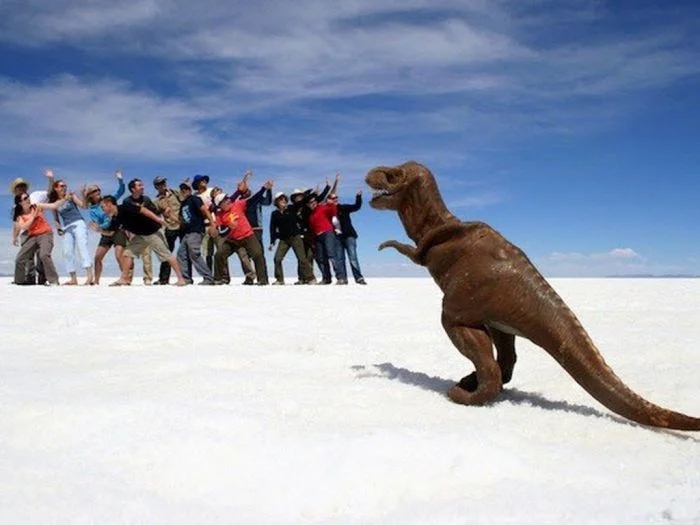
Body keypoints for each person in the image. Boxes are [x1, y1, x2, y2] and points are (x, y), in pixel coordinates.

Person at [98, 194, 187, 286]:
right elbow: (111, 233)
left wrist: (158, 219)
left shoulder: (125, 207)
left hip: (152, 232)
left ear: (109, 204)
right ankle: (124, 279)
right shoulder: (115, 218)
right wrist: (99, 230)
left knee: (166, 255)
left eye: (102, 206)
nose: (102, 209)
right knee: (127, 254)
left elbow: (143, 210)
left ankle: (181, 279)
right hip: (140, 236)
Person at [47, 171, 94, 285]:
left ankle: (89, 276)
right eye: (62, 186)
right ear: (56, 188)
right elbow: (56, 218)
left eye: (65, 186)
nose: (64, 187)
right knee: (67, 251)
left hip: (78, 223)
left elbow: (84, 206)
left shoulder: (71, 196)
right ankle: (73, 278)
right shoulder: (55, 202)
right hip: (67, 227)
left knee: (82, 247)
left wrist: (83, 194)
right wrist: (58, 228)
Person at [212, 192, 269, 285]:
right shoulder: (220, 216)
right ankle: (218, 279)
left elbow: (253, 199)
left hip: (247, 236)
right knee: (218, 255)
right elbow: (221, 233)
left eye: (227, 198)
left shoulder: (238, 204)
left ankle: (262, 280)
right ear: (220, 205)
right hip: (232, 240)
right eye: (225, 200)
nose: (228, 200)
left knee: (258, 254)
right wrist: (229, 227)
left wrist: (264, 189)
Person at [12, 191, 66, 286]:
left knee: (44, 255)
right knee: (20, 258)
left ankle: (53, 280)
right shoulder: (20, 216)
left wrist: (64, 199)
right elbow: (24, 226)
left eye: (27, 197)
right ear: (20, 203)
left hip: (45, 234)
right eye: (25, 198)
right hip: (32, 237)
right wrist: (33, 216)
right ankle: (19, 281)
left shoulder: (36, 206)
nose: (28, 199)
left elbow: (53, 205)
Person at [84, 169, 127, 285]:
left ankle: (125, 278)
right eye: (95, 190)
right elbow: (98, 224)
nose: (98, 191)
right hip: (106, 233)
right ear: (90, 195)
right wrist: (102, 227)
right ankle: (96, 281)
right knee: (97, 257)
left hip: (118, 230)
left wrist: (120, 179)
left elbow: (121, 190)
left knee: (119, 255)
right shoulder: (92, 210)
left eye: (98, 189)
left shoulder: (108, 200)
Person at [10, 174, 53, 284]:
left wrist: (51, 179)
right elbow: (16, 224)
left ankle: (43, 278)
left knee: (41, 254)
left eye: (23, 186)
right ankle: (29, 279)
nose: (21, 188)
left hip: (40, 231)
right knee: (27, 258)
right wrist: (14, 237)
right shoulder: (16, 207)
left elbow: (49, 192)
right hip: (26, 233)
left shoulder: (35, 195)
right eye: (19, 187)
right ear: (15, 190)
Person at [268, 191, 316, 285]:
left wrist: (310, 194)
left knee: (302, 259)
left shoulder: (291, 208)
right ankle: (280, 279)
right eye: (281, 200)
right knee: (277, 258)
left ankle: (310, 278)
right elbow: (272, 227)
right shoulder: (274, 214)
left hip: (295, 237)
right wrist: (272, 241)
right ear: (277, 202)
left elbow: (302, 202)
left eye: (285, 199)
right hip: (284, 240)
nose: (283, 201)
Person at [176, 182, 217, 285]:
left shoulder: (194, 199)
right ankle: (186, 279)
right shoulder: (183, 204)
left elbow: (205, 210)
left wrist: (212, 224)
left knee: (194, 253)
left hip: (195, 230)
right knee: (181, 255)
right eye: (182, 189)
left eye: (186, 189)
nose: (184, 191)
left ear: (190, 190)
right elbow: (182, 220)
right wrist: (170, 216)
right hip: (186, 233)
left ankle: (208, 278)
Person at [306, 192, 347, 284]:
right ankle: (326, 278)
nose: (312, 204)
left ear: (316, 202)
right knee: (320, 258)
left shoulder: (323, 208)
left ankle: (341, 278)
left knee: (331, 255)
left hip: (328, 233)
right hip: (317, 237)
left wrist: (330, 203)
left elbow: (333, 212)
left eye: (314, 202)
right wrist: (313, 242)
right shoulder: (311, 216)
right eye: (310, 203)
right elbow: (312, 229)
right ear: (308, 205)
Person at [329, 191, 367, 285]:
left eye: (336, 198)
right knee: (339, 259)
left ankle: (359, 278)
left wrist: (358, 196)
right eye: (332, 198)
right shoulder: (328, 211)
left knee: (353, 257)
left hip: (349, 236)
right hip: (337, 238)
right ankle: (342, 279)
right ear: (328, 200)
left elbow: (356, 206)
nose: (335, 199)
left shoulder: (343, 207)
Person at [123, 178, 155, 285]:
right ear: (133, 189)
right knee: (129, 255)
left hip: (146, 232)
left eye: (142, 185)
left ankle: (148, 278)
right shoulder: (127, 201)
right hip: (132, 232)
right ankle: (127, 279)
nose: (142, 187)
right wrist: (129, 232)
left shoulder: (146, 199)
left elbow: (154, 213)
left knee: (146, 256)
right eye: (139, 185)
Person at [152, 175, 183, 285]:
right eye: (160, 183)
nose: (163, 185)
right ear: (156, 186)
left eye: (164, 182)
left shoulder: (175, 193)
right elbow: (154, 215)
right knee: (166, 253)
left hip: (182, 226)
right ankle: (163, 279)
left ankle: (186, 277)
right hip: (170, 228)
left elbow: (185, 201)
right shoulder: (156, 201)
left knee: (185, 252)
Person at [192, 174, 216, 271]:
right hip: (203, 225)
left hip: (215, 223)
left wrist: (212, 207)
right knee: (207, 252)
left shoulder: (212, 191)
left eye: (204, 180)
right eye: (201, 180)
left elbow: (221, 201)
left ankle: (223, 277)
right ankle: (209, 274)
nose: (204, 182)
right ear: (197, 184)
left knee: (221, 250)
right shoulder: (195, 196)